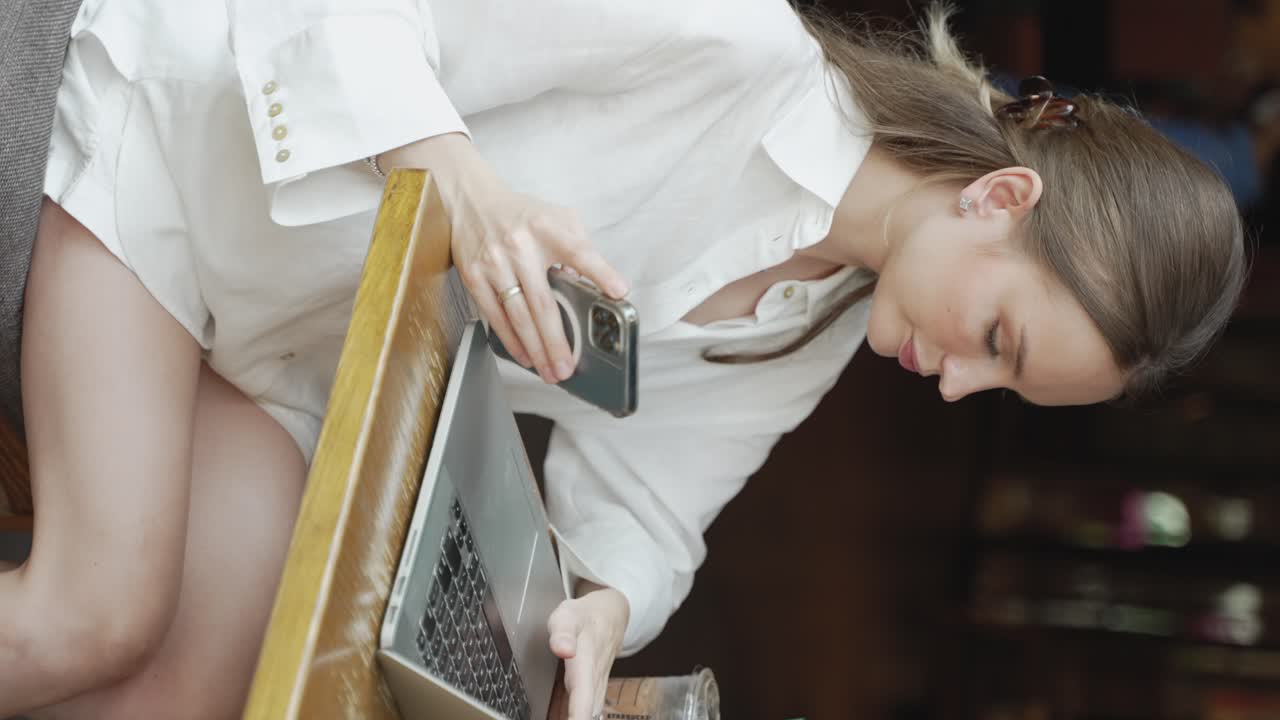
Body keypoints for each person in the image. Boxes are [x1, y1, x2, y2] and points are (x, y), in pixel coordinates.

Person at [1, 0, 1245, 718]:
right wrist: (452, 174)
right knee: (94, 619)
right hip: (169, 158)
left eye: (999, 388)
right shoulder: (730, 48)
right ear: (1000, 198)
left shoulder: (809, 324)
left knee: (189, 694)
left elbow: (652, 500)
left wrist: (603, 604)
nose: (956, 382)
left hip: (271, 349)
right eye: (996, 342)